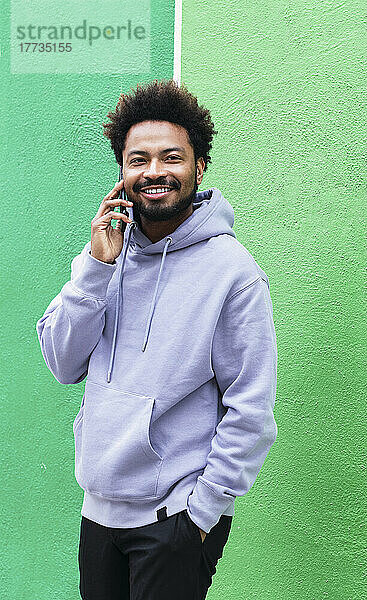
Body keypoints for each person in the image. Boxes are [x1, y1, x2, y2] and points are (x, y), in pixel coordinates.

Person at [36, 79, 278, 600]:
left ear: (199, 166)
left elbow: (251, 411)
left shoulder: (234, 274)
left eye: (171, 157)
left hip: (175, 517)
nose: (153, 172)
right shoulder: (104, 255)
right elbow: (61, 362)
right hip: (99, 508)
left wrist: (202, 513)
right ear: (122, 171)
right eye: (137, 159)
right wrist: (95, 270)